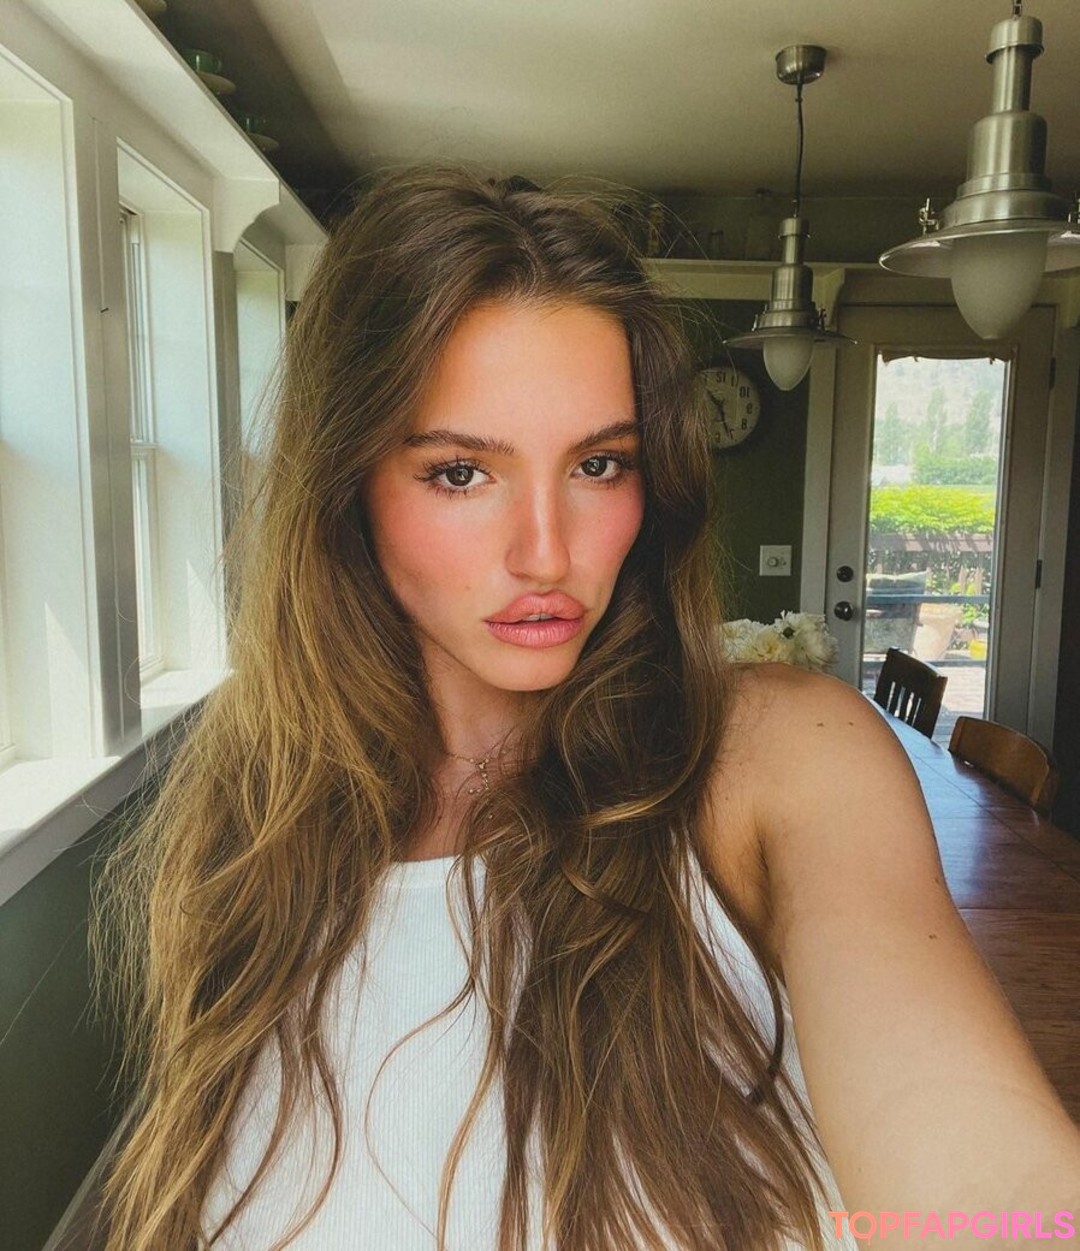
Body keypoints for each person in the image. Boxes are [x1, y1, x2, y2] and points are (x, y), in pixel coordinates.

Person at [92, 167, 1080, 1251]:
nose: (547, 554)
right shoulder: (248, 824)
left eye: (600, 464)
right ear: (346, 484)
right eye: (461, 473)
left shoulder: (781, 758)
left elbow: (985, 1180)